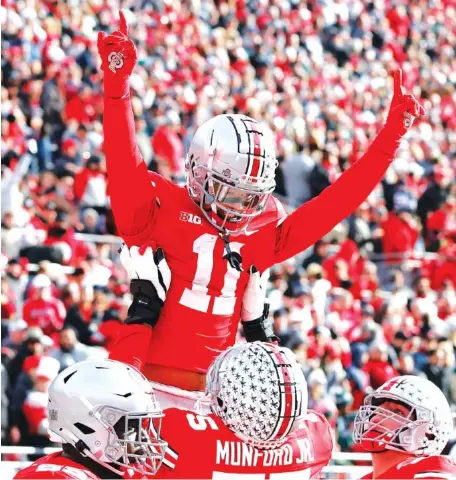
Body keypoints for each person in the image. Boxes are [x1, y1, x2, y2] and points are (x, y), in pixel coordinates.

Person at [98, 11, 424, 391]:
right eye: (232, 191)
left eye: (252, 196)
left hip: (219, 394)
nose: (241, 206)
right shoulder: (158, 210)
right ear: (199, 172)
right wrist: (117, 87)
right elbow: (123, 161)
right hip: (145, 382)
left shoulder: (263, 228)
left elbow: (336, 204)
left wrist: (389, 142)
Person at [116, 245, 334, 478]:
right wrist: (259, 329)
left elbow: (117, 409)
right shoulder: (315, 439)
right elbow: (279, 395)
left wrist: (144, 306)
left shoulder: (183, 438)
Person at [14, 358, 168, 479]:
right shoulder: (52, 477)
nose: (144, 438)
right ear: (88, 427)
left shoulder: (119, 472)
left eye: (141, 425)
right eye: (130, 427)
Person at [353, 375, 456, 479]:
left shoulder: (431, 476)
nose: (377, 416)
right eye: (377, 408)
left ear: (428, 434)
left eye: (398, 411)